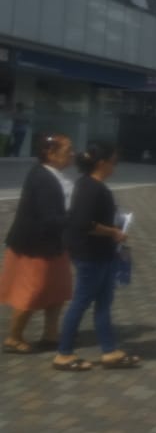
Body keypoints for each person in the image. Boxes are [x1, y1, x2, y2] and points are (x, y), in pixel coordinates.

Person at [52, 141, 139, 371]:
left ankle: (109, 351)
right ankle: (64, 353)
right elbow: (83, 223)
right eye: (114, 162)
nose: (115, 167)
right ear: (102, 163)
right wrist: (114, 231)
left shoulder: (89, 184)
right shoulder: (92, 188)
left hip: (102, 253)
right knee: (81, 302)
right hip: (91, 254)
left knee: (103, 303)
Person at [0, 133, 74, 354]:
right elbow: (49, 217)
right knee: (32, 291)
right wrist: (78, 219)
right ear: (50, 153)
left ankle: (51, 334)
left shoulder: (55, 175)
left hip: (54, 245)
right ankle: (14, 337)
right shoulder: (42, 178)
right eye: (67, 150)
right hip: (34, 247)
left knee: (58, 291)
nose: (72, 154)